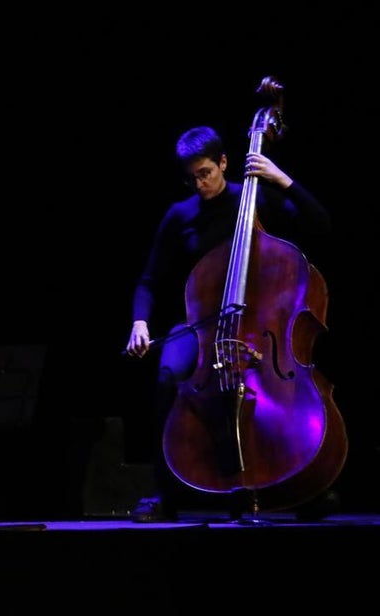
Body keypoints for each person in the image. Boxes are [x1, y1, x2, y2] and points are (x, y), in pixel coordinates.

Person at [124, 125, 332, 522]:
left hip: (260, 325)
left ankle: (296, 486)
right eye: (190, 177)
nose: (199, 184)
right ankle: (165, 494)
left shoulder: (252, 199)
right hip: (199, 324)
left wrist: (281, 179)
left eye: (205, 173)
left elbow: (321, 223)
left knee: (276, 399)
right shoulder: (179, 215)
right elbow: (149, 280)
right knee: (168, 375)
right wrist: (139, 321)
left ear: (223, 162)